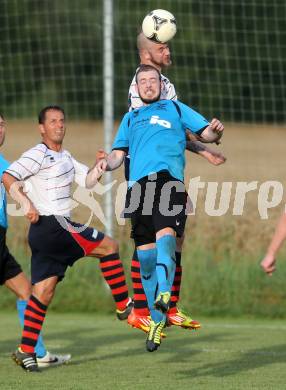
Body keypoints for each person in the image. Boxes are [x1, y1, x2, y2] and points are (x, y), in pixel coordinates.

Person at [91, 65, 224, 351]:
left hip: (167, 181)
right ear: (137, 88)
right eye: (143, 81)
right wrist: (106, 165)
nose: (149, 85)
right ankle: (155, 322)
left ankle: (164, 294)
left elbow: (205, 134)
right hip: (137, 188)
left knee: (166, 238)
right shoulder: (130, 118)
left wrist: (214, 132)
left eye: (153, 80)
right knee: (146, 258)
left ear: (161, 85)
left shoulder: (175, 109)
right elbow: (117, 155)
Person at [2, 106, 131, 371]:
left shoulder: (67, 157)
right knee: (109, 246)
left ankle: (26, 350)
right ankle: (123, 306)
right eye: (52, 121)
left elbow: (88, 181)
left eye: (62, 121)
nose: (59, 125)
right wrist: (25, 203)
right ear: (42, 128)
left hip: (45, 234)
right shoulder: (38, 154)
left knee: (42, 293)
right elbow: (8, 176)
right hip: (54, 225)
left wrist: (100, 166)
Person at [126, 32, 226, 334]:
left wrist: (204, 148)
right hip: (146, 167)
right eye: (162, 46)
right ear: (147, 54)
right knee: (150, 238)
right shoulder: (143, 85)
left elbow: (174, 129)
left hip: (164, 168)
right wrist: (203, 148)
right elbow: (160, 130)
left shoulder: (164, 84)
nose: (168, 51)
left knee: (174, 236)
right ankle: (142, 310)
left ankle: (168, 305)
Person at [0, 113, 71, 368]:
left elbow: (17, 182)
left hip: (1, 242)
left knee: (26, 292)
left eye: (1, 124)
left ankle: (37, 353)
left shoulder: (4, 162)